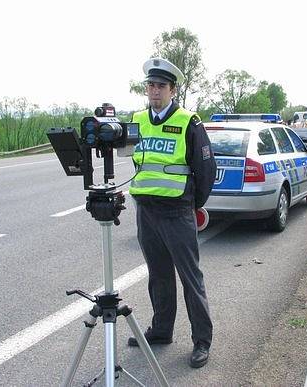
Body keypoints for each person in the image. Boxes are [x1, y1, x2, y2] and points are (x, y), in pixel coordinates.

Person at [128, 57, 216, 369]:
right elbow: (131, 162)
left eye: (161, 86)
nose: (154, 90)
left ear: (172, 89)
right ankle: (162, 329)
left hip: (178, 210)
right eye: (151, 85)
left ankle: (201, 341)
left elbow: (206, 168)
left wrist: (192, 205)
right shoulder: (137, 120)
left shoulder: (188, 121)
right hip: (147, 211)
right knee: (159, 275)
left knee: (190, 278)